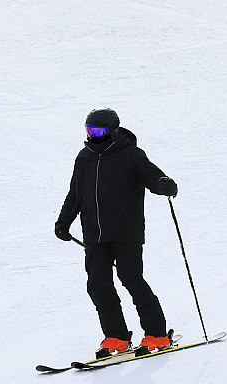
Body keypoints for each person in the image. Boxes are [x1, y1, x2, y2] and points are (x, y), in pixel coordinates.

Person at [54, 108, 178, 358]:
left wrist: (164, 184)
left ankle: (157, 334)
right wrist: (64, 222)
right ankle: (117, 337)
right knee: (98, 285)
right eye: (90, 131)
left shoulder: (131, 155)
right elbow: (75, 194)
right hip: (94, 235)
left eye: (98, 131)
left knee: (131, 278)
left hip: (126, 232)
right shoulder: (84, 157)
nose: (93, 136)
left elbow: (151, 176)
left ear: (112, 131)